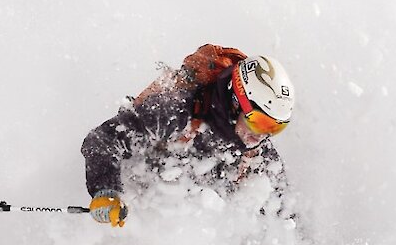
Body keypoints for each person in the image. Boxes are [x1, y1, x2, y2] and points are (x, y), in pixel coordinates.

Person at [80, 45, 296, 227]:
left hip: (195, 236)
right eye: (260, 122)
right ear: (236, 102)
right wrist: (106, 190)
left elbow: (283, 210)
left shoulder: (257, 151)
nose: (263, 135)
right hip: (135, 210)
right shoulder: (174, 111)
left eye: (275, 127)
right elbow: (103, 140)